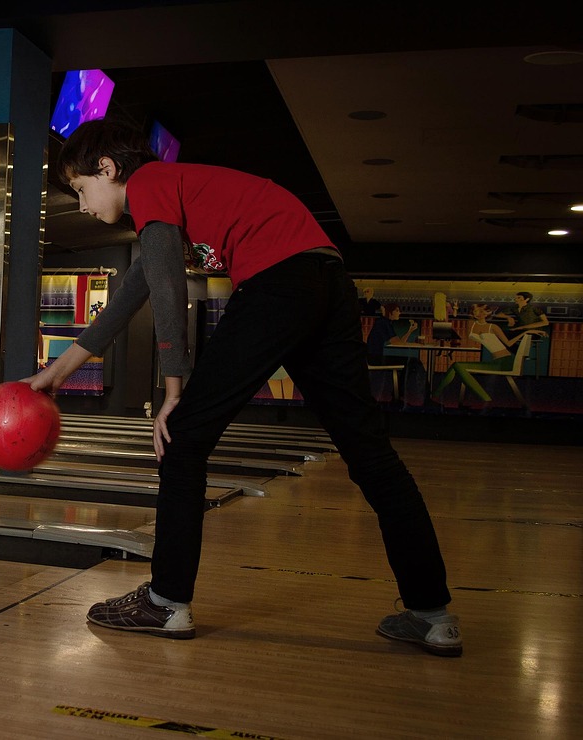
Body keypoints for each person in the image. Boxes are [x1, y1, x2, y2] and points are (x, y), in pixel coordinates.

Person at [26, 120, 459, 656]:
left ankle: (165, 603)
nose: (84, 205)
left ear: (109, 170)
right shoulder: (177, 194)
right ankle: (431, 613)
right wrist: (55, 375)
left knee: (181, 439)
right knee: (369, 452)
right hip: (328, 281)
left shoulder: (152, 182)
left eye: (81, 189)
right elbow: (132, 293)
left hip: (278, 282)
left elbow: (166, 291)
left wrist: (173, 391)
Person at [432, 303, 541, 404]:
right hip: (496, 361)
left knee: (457, 365)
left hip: (505, 361)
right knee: (456, 366)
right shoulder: (472, 325)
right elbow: (467, 339)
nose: (479, 314)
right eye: (476, 312)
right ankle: (436, 394)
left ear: (487, 313)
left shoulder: (492, 327)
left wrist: (525, 332)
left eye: (482, 311)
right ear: (473, 314)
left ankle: (485, 399)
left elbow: (509, 343)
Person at [365, 304, 425, 405]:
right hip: (376, 359)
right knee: (412, 362)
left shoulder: (384, 322)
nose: (399, 313)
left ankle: (401, 394)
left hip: (374, 357)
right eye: (397, 311)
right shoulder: (384, 323)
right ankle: (403, 394)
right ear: (390, 313)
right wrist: (413, 341)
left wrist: (410, 330)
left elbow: (399, 342)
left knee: (412, 361)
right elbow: (398, 343)